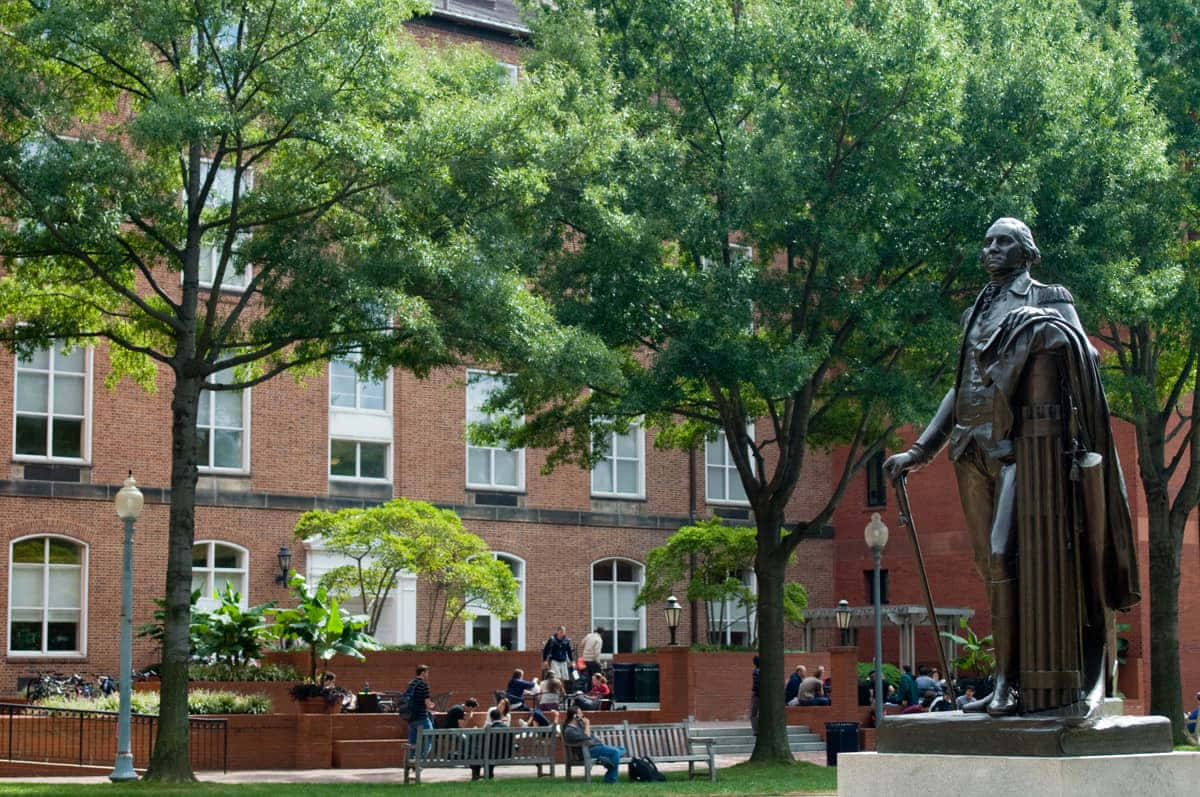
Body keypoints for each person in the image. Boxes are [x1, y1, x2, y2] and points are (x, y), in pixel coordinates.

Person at [885, 217, 1139, 718]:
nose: (991, 250)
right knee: (991, 569)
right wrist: (920, 451)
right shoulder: (974, 311)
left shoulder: (1047, 297)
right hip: (969, 448)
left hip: (1026, 447)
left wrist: (1042, 326)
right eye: (986, 242)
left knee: (1004, 554)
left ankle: (1008, 685)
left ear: (1026, 251)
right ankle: (1009, 682)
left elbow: (1083, 352)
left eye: (1003, 241)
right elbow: (961, 386)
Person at [562, 706, 626, 784]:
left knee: (622, 749)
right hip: (586, 752)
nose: (582, 715)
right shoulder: (570, 730)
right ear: (575, 716)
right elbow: (586, 737)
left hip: (595, 748)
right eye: (580, 713)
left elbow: (590, 735)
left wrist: (596, 738)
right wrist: (587, 724)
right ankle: (610, 780)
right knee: (615, 752)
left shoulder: (579, 725)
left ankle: (606, 761)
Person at [405, 664, 435, 756]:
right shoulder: (423, 685)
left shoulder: (411, 684)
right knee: (429, 737)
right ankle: (420, 761)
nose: (428, 674)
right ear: (423, 673)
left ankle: (412, 760)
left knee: (413, 741)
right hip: (421, 717)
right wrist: (432, 705)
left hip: (410, 718)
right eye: (427, 672)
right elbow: (427, 702)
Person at [749, 656, 760, 734]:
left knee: (754, 712)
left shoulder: (756, 671)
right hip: (758, 694)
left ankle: (755, 729)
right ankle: (756, 729)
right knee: (755, 712)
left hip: (756, 694)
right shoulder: (758, 671)